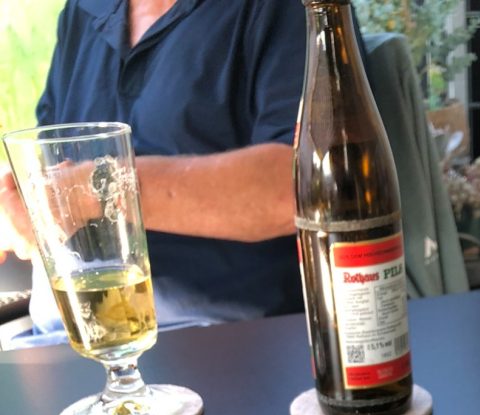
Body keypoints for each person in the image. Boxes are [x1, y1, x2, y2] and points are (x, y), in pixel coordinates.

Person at [0, 0, 325, 338]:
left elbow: (298, 185)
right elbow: (51, 164)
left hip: (218, 338)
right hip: (59, 332)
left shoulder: (284, 10)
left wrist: (97, 191)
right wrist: (19, 206)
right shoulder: (84, 10)